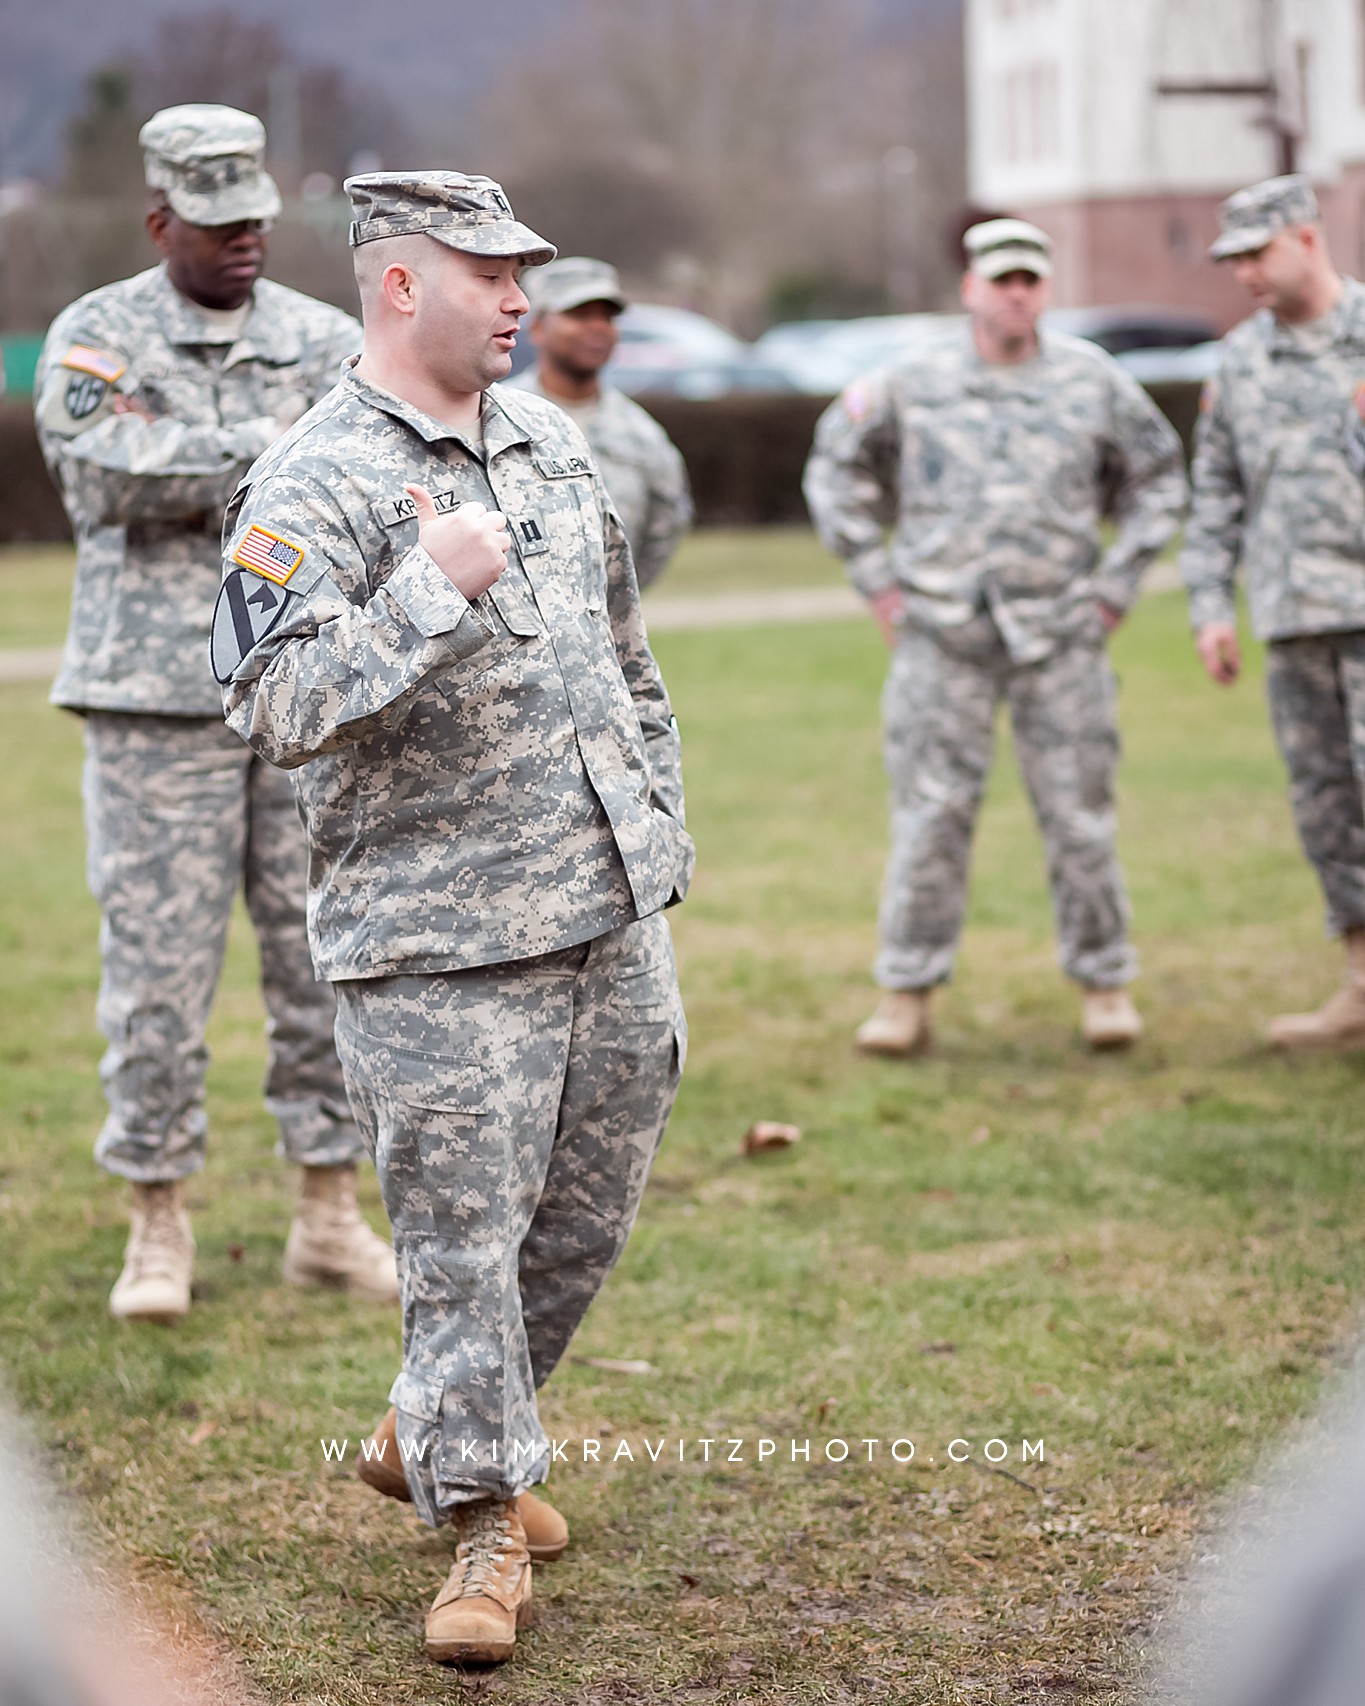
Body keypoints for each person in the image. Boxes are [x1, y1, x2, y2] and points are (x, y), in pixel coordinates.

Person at [214, 171, 692, 1665]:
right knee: (461, 1243)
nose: (517, 299)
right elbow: (273, 702)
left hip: (605, 902)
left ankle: (432, 1424)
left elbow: (624, 652)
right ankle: (480, 1526)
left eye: (523, 273)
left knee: (587, 1211)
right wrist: (424, 593)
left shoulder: (546, 438)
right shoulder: (314, 478)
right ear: (398, 284)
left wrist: (659, 827)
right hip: (437, 942)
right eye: (488, 273)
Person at [33, 104, 396, 1322]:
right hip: (153, 704)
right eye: (215, 222)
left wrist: (215, 450)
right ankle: (156, 1218)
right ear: (159, 219)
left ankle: (327, 1211)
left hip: (306, 692)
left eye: (255, 220)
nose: (244, 240)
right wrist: (282, 445)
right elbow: (104, 472)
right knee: (155, 975)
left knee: (323, 960)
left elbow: (372, 476)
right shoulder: (98, 332)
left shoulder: (326, 334)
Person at [804, 218, 1187, 1055]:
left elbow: (1159, 477)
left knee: (1079, 816)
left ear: (1044, 290)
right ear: (970, 287)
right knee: (930, 818)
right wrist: (876, 577)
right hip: (943, 634)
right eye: (1000, 279)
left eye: (1030, 281)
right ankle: (905, 993)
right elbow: (834, 467)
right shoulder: (910, 380)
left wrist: (1118, 584)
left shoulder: (1093, 380)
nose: (1016, 294)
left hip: (1061, 635)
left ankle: (1104, 983)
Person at [1182, 174, 1365, 1050]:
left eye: (1255, 253)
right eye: (1232, 260)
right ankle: (1359, 981)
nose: (1244, 274)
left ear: (1304, 238)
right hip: (1293, 621)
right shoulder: (1239, 360)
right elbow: (1215, 493)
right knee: (1326, 808)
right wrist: (1209, 605)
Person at [509, 255, 692, 589]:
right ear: (537, 326)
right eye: (579, 315)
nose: (597, 328)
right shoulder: (497, 418)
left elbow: (666, 525)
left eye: (607, 317)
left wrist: (617, 601)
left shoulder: (640, 433)